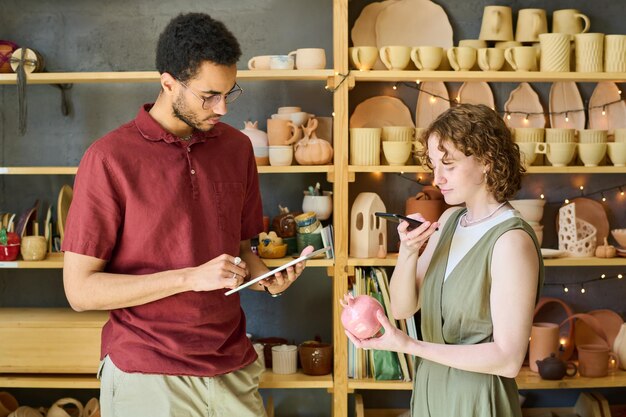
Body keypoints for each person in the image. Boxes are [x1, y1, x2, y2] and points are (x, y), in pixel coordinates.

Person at [62, 12, 312, 417]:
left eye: (230, 93)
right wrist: (190, 277)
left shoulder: (237, 149)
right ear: (168, 83)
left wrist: (267, 278)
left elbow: (239, 250)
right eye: (209, 96)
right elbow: (80, 291)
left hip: (232, 365)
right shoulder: (109, 158)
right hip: (147, 371)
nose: (223, 108)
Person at [345, 104, 544, 416]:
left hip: (477, 400)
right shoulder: (450, 220)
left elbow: (508, 359)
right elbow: (401, 308)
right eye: (434, 165)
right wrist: (409, 252)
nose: (437, 178)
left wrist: (410, 346)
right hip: (430, 390)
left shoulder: (511, 242)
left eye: (448, 165)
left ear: (486, 162)